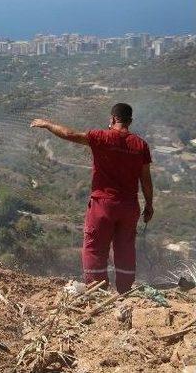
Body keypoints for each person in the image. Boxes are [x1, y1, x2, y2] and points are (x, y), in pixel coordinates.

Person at [30, 103, 153, 293]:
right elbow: (146, 180)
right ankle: (125, 291)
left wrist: (47, 124)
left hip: (103, 205)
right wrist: (150, 205)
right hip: (129, 207)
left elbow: (70, 134)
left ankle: (98, 290)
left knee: (95, 247)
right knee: (125, 249)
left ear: (112, 119)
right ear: (130, 121)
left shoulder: (101, 137)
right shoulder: (141, 145)